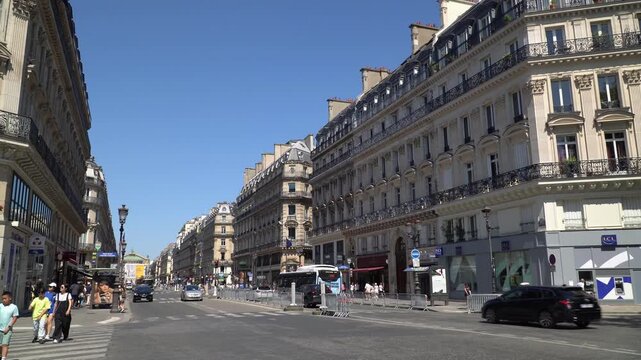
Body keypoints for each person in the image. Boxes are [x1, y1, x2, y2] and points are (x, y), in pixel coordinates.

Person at [0, 291, 19, 360]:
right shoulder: (0, 305)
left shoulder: (14, 307)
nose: (3, 300)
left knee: (5, 344)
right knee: (0, 345)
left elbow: (15, 318)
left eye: (5, 298)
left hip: (7, 330)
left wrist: (8, 327)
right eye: (2, 299)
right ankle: (1, 355)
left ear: (10, 298)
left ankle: (3, 358)